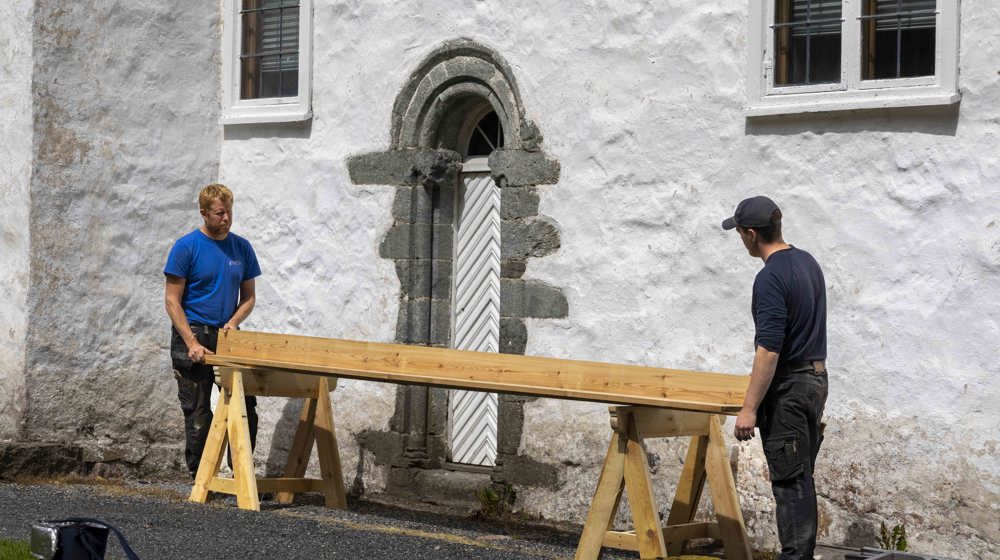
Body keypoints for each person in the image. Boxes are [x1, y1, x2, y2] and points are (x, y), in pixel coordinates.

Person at [722, 195, 828, 560]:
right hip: (816, 381)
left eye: (739, 233)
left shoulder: (770, 277)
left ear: (751, 234)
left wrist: (749, 408)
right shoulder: (807, 262)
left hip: (789, 388)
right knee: (801, 477)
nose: (741, 240)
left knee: (790, 483)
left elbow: (769, 349)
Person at [164, 183, 261, 478]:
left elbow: (249, 298)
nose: (226, 218)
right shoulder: (186, 247)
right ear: (204, 213)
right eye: (220, 213)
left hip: (227, 334)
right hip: (192, 333)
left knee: (245, 406)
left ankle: (240, 472)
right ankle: (201, 476)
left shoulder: (241, 248)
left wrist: (232, 323)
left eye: (229, 212)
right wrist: (191, 341)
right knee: (198, 411)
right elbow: (172, 301)